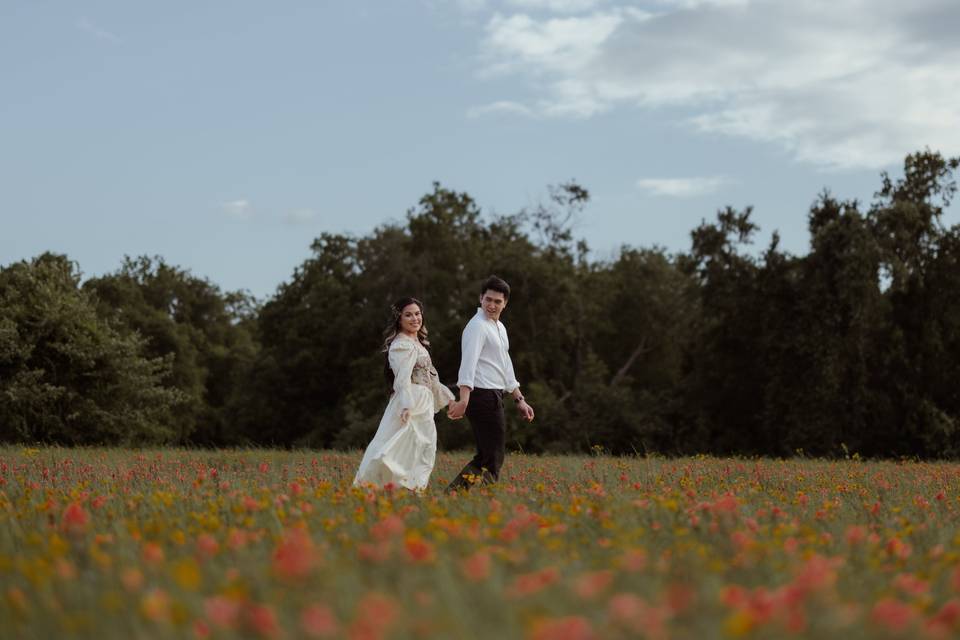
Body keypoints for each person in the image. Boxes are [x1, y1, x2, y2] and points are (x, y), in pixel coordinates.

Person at [353, 298, 455, 491]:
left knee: (425, 448)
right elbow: (402, 378)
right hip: (411, 400)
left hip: (423, 402)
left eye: (417, 314)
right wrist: (406, 405)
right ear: (399, 319)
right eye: (408, 315)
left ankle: (413, 490)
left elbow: (431, 377)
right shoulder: (401, 345)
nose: (415, 318)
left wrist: (449, 400)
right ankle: (384, 489)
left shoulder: (419, 343)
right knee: (400, 448)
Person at [446, 276, 534, 490]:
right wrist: (464, 400)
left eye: (497, 301)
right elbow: (468, 364)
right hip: (480, 396)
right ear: (480, 298)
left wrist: (519, 399)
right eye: (488, 300)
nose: (492, 305)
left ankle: (454, 495)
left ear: (505, 303)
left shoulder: (499, 328)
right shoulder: (477, 327)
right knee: (492, 456)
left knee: (489, 455)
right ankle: (473, 496)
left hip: (494, 395)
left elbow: (504, 365)